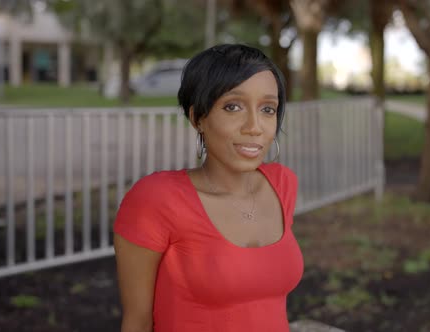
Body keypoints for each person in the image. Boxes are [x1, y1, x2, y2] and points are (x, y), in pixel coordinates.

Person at [113, 44, 304, 332]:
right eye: (233, 106)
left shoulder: (282, 184)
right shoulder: (156, 199)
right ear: (198, 118)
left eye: (267, 109)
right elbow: (137, 322)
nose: (254, 126)